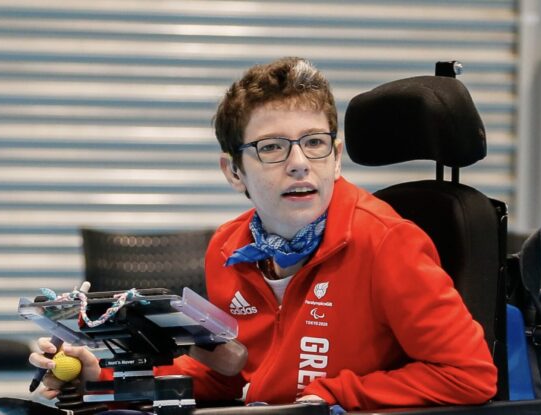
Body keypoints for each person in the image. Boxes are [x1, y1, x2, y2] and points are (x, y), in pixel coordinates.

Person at [29, 56, 497, 411]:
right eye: (271, 147)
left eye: (314, 143)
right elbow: (231, 373)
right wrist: (103, 378)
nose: (298, 162)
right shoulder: (229, 248)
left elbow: (469, 376)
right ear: (234, 172)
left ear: (335, 157)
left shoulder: (387, 242)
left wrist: (331, 395)